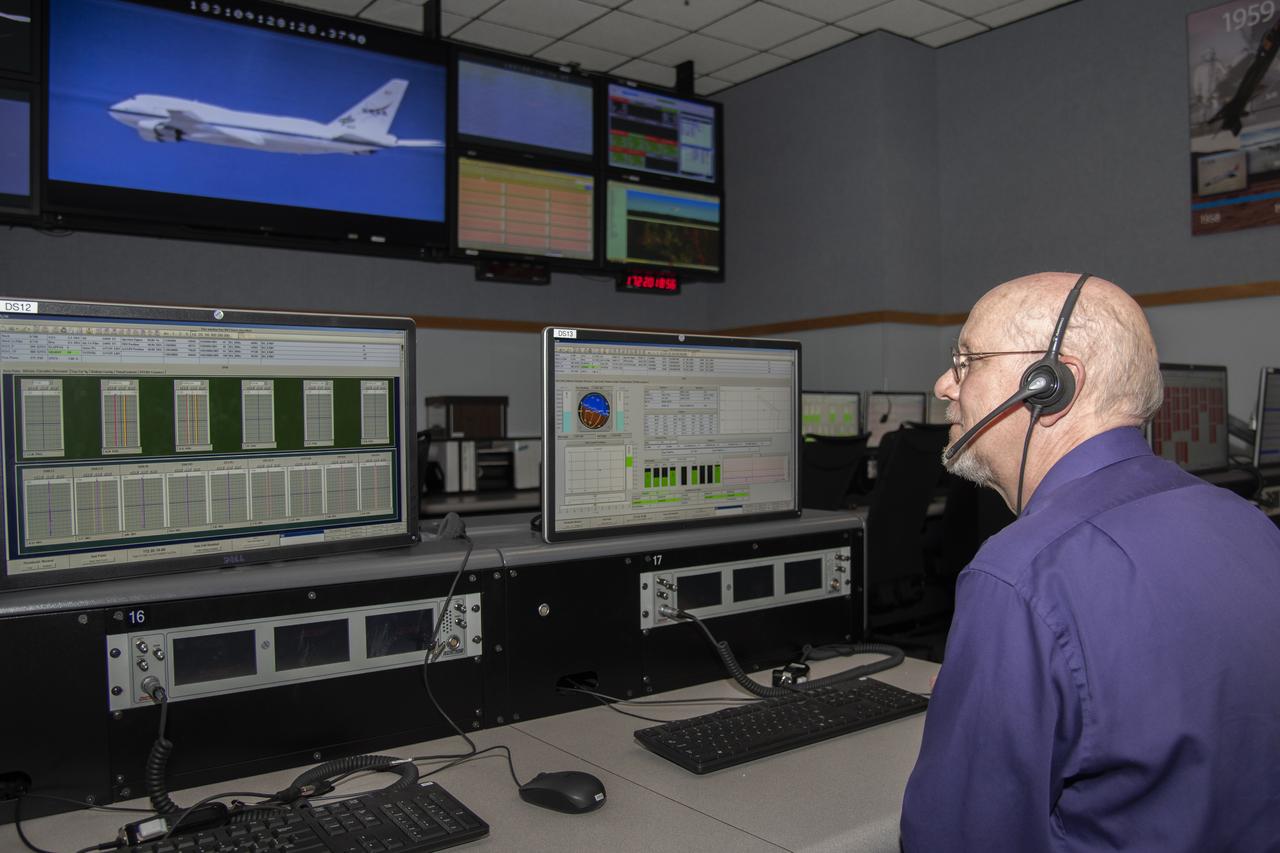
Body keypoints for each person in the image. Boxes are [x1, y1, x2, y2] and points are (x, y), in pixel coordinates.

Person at [900, 273, 1280, 852]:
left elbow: (955, 839)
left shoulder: (1020, 574)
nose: (944, 385)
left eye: (966, 360)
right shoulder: (1247, 522)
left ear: (1050, 385)